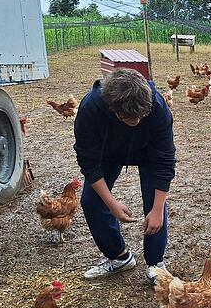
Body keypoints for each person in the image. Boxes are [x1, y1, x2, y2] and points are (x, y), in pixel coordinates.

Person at [73, 68, 176, 284]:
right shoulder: (90, 108)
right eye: (129, 118)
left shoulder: (157, 108)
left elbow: (165, 161)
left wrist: (157, 210)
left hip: (149, 153)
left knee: (155, 203)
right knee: (91, 201)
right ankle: (119, 257)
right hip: (107, 152)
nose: (136, 121)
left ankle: (156, 264)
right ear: (113, 109)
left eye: (141, 116)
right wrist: (111, 203)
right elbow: (88, 161)